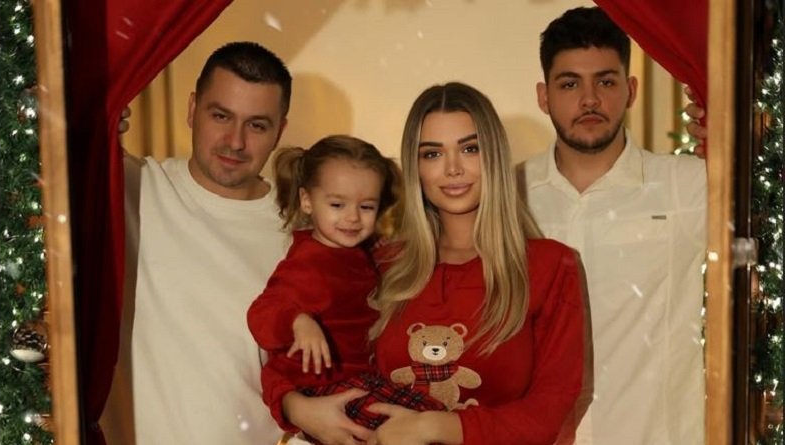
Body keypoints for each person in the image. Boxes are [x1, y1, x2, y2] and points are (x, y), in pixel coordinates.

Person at [280, 82, 589, 445]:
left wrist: (436, 427)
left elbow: (549, 412)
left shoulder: (550, 265)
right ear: (415, 167)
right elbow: (293, 349)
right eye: (432, 154)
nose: (453, 169)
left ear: (494, 156)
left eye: (470, 149)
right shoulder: (378, 263)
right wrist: (294, 406)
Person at [99, 41, 309, 445]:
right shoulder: (129, 186)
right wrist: (96, 124)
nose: (235, 141)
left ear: (279, 131)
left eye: (257, 125)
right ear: (192, 109)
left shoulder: (299, 234)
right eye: (221, 116)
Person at [519, 6, 707, 444]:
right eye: (570, 84)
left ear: (630, 90)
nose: (589, 100)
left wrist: (732, 134)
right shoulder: (509, 195)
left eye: (605, 82)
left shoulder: (687, 185)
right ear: (544, 97)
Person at [248, 135, 449, 443]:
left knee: (433, 419)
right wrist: (298, 321)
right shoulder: (308, 262)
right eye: (337, 204)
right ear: (306, 201)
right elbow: (262, 313)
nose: (353, 217)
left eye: (366, 206)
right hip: (321, 387)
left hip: (361, 379)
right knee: (413, 431)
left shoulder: (357, 251)